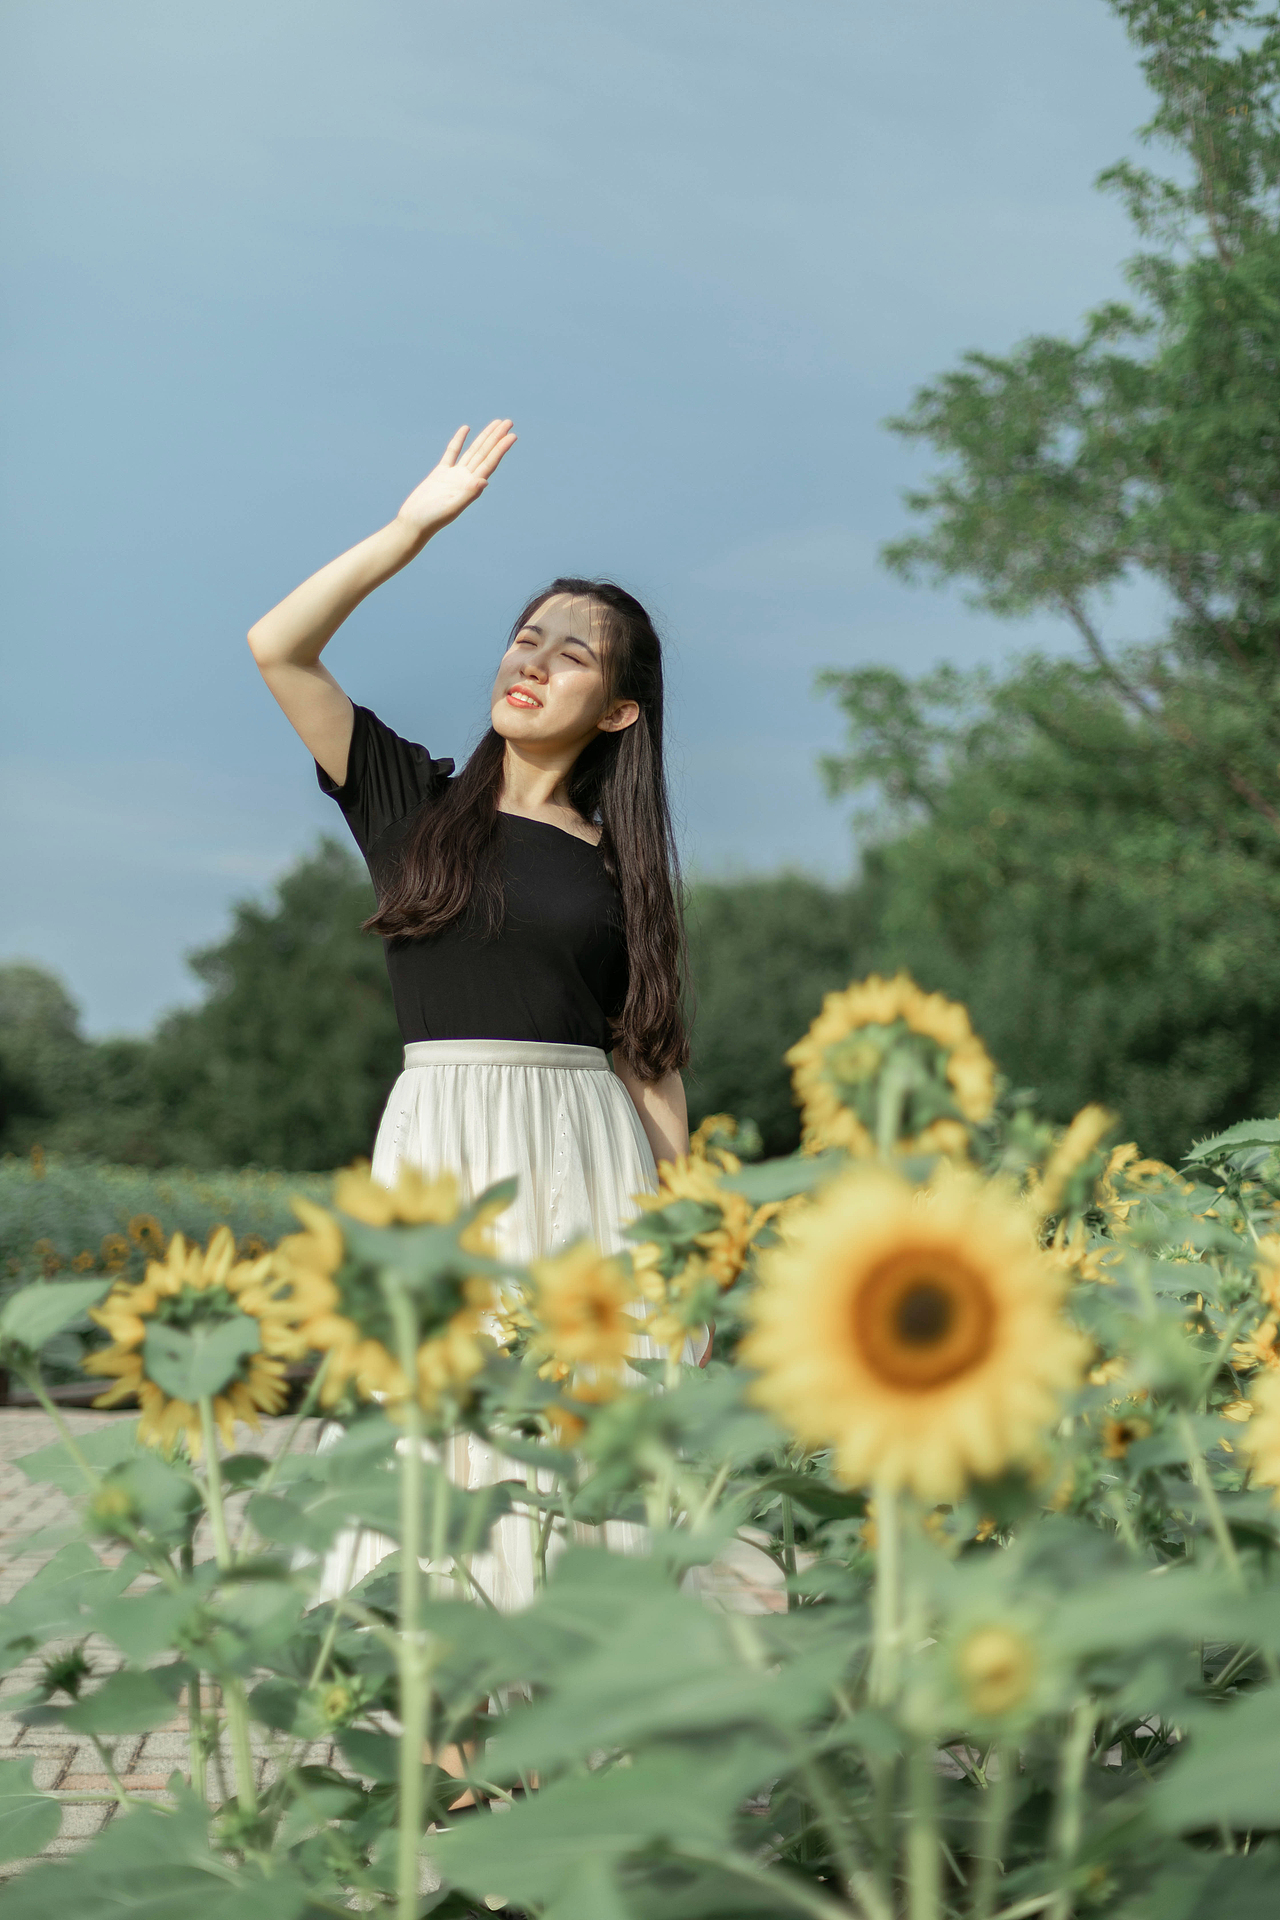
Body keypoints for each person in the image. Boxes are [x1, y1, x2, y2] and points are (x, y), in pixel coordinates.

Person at [247, 419, 697, 1606]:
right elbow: (278, 648)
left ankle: (562, 1754)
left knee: (575, 1444)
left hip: (588, 1159)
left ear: (618, 712)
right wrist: (412, 528)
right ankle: (437, 1758)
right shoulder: (413, 801)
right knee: (427, 1436)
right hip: (441, 1149)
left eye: (574, 653)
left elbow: (646, 1059)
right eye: (525, 634)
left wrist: (690, 1250)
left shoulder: (621, 866)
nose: (535, 658)